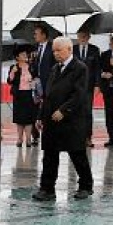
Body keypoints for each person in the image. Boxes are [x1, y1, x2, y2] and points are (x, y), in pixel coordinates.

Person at [32, 37, 94, 201]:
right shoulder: (54, 69)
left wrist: (64, 110)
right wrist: (40, 116)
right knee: (50, 155)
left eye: (58, 50)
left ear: (69, 49)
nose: (55, 53)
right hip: (51, 120)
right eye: (54, 50)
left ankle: (86, 186)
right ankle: (47, 189)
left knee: (77, 154)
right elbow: (48, 95)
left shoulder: (80, 68)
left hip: (72, 119)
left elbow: (79, 94)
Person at [7, 45, 41, 148]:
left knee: (29, 118)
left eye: (25, 54)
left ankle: (28, 139)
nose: (25, 55)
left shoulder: (31, 66)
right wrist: (13, 73)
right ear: (17, 57)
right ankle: (19, 138)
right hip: (18, 95)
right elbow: (9, 81)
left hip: (29, 95)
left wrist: (33, 82)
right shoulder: (14, 67)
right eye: (22, 54)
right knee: (19, 119)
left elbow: (37, 79)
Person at [73, 30, 101, 148]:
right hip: (74, 87)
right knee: (74, 112)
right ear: (77, 37)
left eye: (85, 36)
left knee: (87, 113)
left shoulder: (94, 50)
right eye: (80, 36)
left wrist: (97, 85)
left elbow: (97, 69)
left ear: (89, 37)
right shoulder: (72, 49)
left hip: (89, 87)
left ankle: (88, 137)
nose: (83, 38)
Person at [30, 24, 56, 146]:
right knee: (35, 108)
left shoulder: (52, 47)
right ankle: (35, 136)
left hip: (49, 83)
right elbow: (33, 69)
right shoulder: (35, 48)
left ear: (44, 35)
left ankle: (48, 133)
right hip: (37, 83)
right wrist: (31, 62)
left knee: (47, 108)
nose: (34, 36)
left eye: (36, 33)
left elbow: (55, 66)